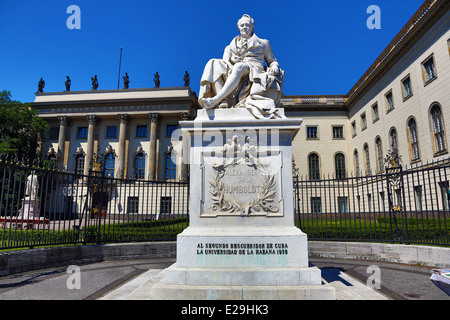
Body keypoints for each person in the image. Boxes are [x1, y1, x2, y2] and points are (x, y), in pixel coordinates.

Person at [199, 14, 283, 118]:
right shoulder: (230, 47)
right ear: (238, 28)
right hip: (234, 69)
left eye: (247, 25)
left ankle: (216, 99)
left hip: (254, 69)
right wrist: (231, 59)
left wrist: (274, 66)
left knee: (239, 67)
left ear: (252, 27)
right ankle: (223, 101)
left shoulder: (263, 43)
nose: (245, 27)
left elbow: (273, 61)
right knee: (213, 63)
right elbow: (223, 64)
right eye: (242, 25)